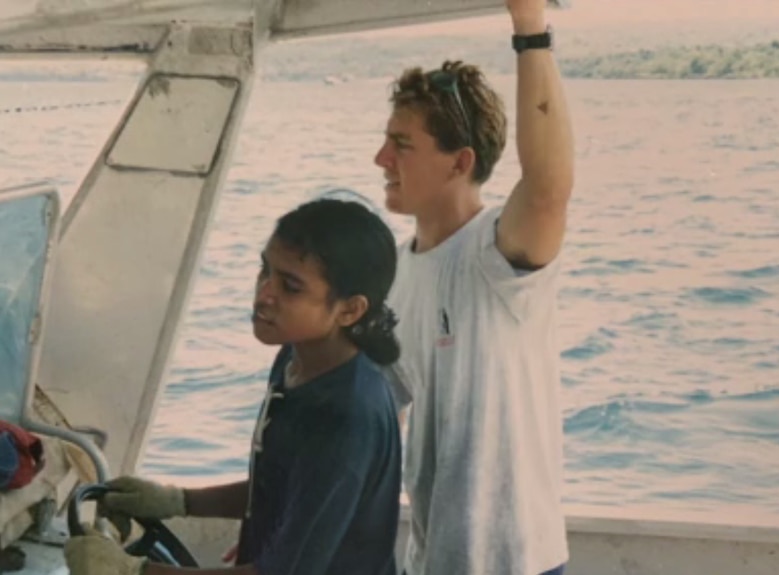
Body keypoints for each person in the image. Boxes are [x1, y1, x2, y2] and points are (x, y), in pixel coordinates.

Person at [64, 199, 404, 575]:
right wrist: (179, 501)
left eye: (290, 287)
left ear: (350, 310)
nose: (263, 295)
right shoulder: (295, 357)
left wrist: (134, 572)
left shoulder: (345, 417)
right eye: (265, 271)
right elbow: (279, 485)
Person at [372, 0, 575, 573]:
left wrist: (530, 29)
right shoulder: (390, 275)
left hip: (518, 563)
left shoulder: (498, 254)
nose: (381, 158)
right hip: (431, 562)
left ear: (460, 162)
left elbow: (548, 187)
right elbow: (374, 426)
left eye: (402, 145)